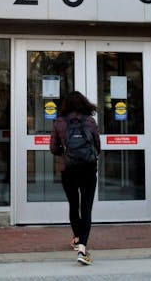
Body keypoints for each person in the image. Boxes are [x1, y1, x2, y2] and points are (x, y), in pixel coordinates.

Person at [49, 90, 101, 265]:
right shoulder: (90, 121)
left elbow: (54, 149)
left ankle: (78, 240)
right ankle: (82, 250)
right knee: (86, 209)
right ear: (83, 103)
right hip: (88, 169)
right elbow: (97, 147)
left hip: (68, 170)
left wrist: (66, 153)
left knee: (73, 205)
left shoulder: (59, 123)